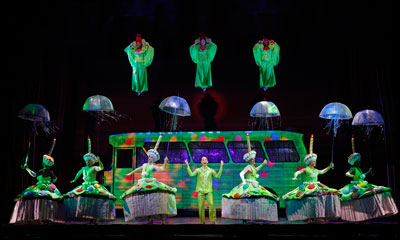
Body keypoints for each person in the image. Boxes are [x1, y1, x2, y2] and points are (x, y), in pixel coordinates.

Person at [282, 134, 341, 222]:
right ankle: (308, 216)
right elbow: (298, 171)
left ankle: (318, 215)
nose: (315, 163)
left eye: (315, 161)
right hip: (307, 186)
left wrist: (329, 167)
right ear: (310, 162)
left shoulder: (316, 170)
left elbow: (322, 171)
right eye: (314, 161)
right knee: (307, 201)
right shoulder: (306, 169)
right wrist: (295, 176)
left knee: (320, 199)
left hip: (316, 186)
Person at [222, 133, 279, 222]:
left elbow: (256, 169)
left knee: (256, 199)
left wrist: (263, 164)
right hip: (249, 185)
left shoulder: (252, 167)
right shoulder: (248, 167)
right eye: (253, 159)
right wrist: (243, 181)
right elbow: (241, 173)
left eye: (254, 159)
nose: (254, 160)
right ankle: (246, 217)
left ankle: (254, 216)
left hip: (255, 185)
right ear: (250, 160)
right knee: (247, 201)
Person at [121, 134, 177, 224]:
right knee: (147, 203)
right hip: (143, 185)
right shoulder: (144, 165)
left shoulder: (153, 167)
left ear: (154, 159)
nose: (150, 158)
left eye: (151, 157)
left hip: (151, 184)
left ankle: (162, 220)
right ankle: (149, 219)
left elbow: (162, 168)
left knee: (157, 203)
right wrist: (130, 173)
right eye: (149, 156)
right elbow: (137, 169)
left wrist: (165, 163)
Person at [339, 136, 398, 222]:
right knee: (357, 198)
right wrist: (352, 176)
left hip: (362, 184)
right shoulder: (354, 168)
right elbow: (347, 173)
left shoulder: (359, 169)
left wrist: (368, 172)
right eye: (358, 161)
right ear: (355, 162)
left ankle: (365, 215)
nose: (359, 162)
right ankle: (357, 216)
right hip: (356, 185)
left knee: (370, 193)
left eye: (359, 160)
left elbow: (362, 176)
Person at [10, 139, 64, 224]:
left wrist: (27, 168)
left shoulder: (44, 171)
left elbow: (35, 175)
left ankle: (40, 218)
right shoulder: (47, 171)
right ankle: (41, 218)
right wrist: (27, 168)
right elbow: (54, 179)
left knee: (40, 199)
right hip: (46, 186)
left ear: (44, 163)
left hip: (44, 186)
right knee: (42, 200)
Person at [64, 137, 116, 223]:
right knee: (82, 199)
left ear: (92, 162)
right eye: (87, 161)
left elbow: (101, 168)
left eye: (90, 161)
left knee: (94, 201)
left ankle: (93, 218)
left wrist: (99, 161)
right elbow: (78, 173)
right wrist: (74, 179)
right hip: (85, 185)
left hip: (93, 186)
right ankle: (85, 216)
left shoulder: (94, 168)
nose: (88, 162)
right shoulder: (84, 168)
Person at [185, 156, 223, 224]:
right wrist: (187, 165)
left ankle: (213, 220)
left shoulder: (211, 170)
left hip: (208, 190)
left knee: (211, 204)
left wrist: (221, 167)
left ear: (207, 161)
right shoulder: (198, 170)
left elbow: (217, 176)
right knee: (201, 206)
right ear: (201, 162)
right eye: (203, 160)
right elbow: (191, 174)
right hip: (200, 190)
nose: (204, 161)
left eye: (205, 159)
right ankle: (202, 221)